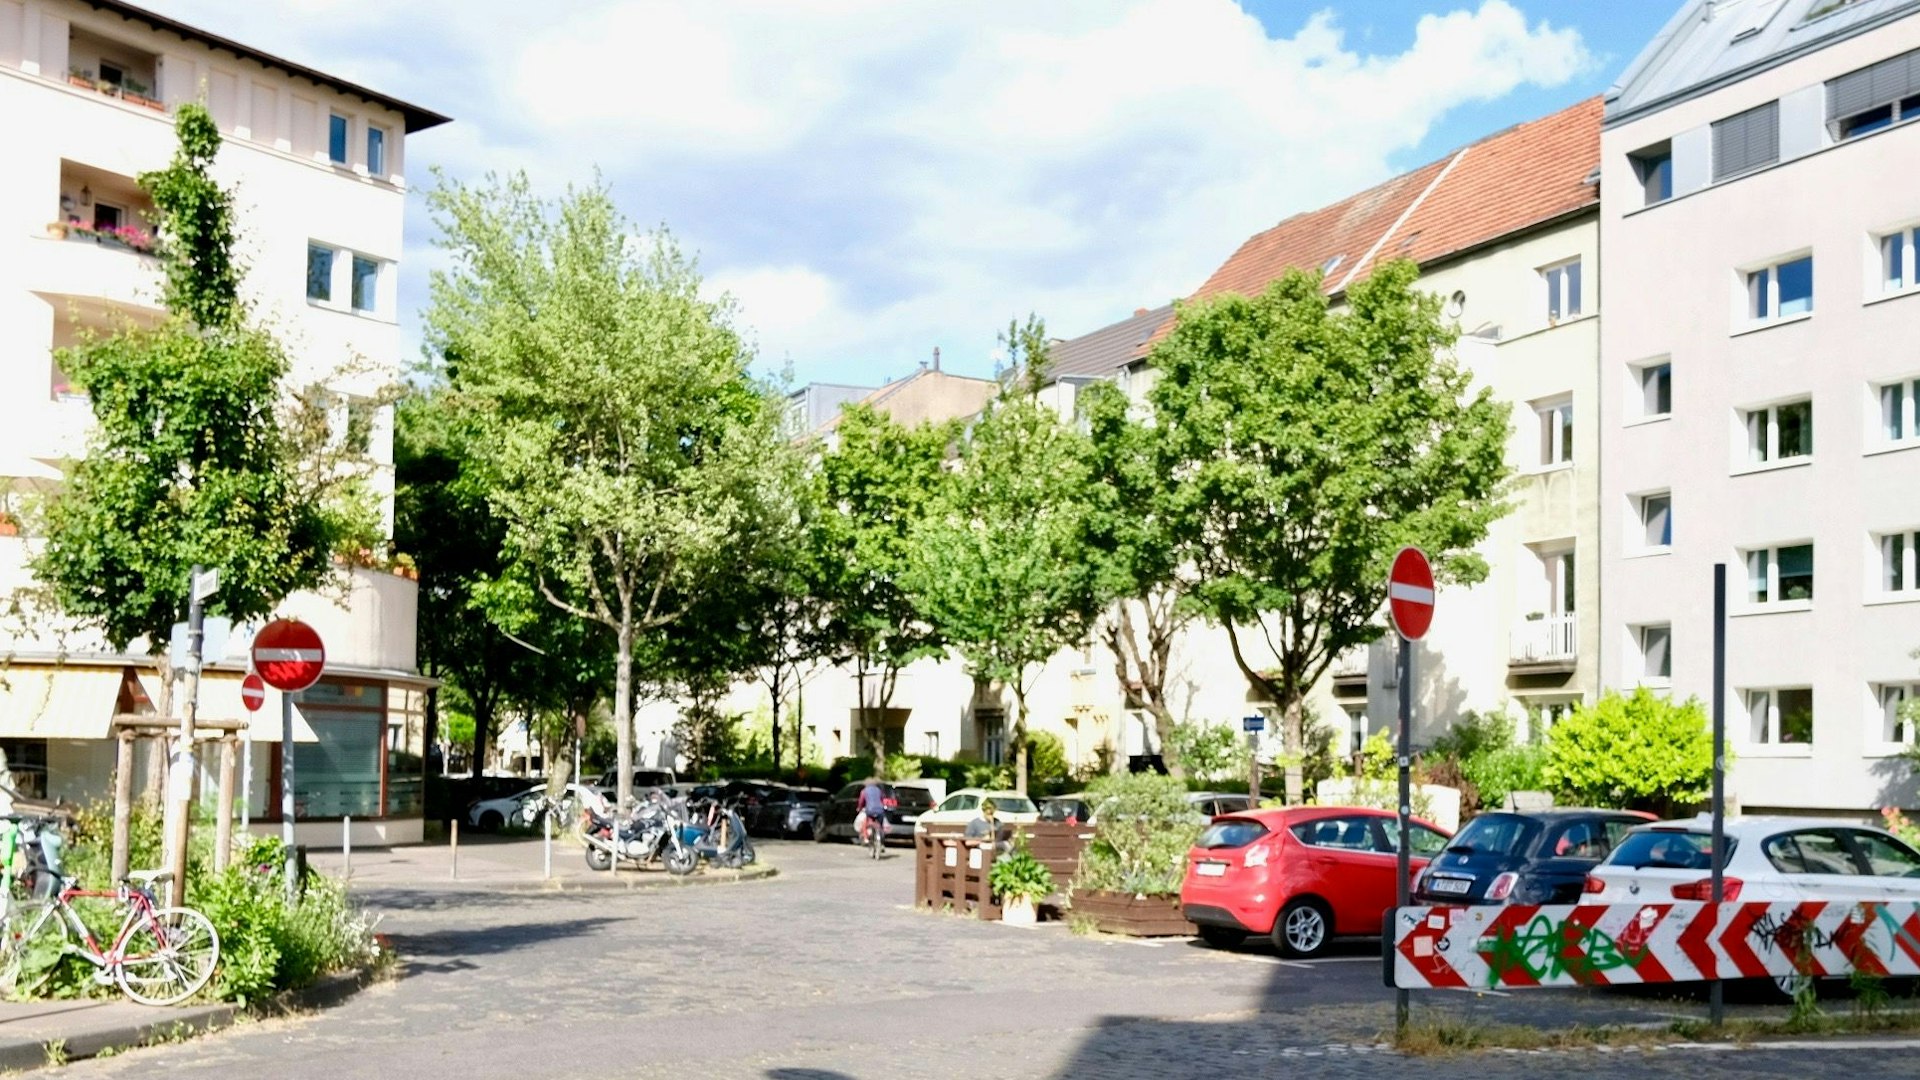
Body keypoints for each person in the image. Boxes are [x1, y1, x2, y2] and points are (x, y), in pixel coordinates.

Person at [856, 777, 888, 843]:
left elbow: (861, 801)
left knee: (865, 822)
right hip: (880, 810)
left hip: (870, 810)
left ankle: (866, 838)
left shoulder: (864, 791)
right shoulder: (878, 790)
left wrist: (859, 808)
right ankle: (881, 842)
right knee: (880, 825)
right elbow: (882, 800)